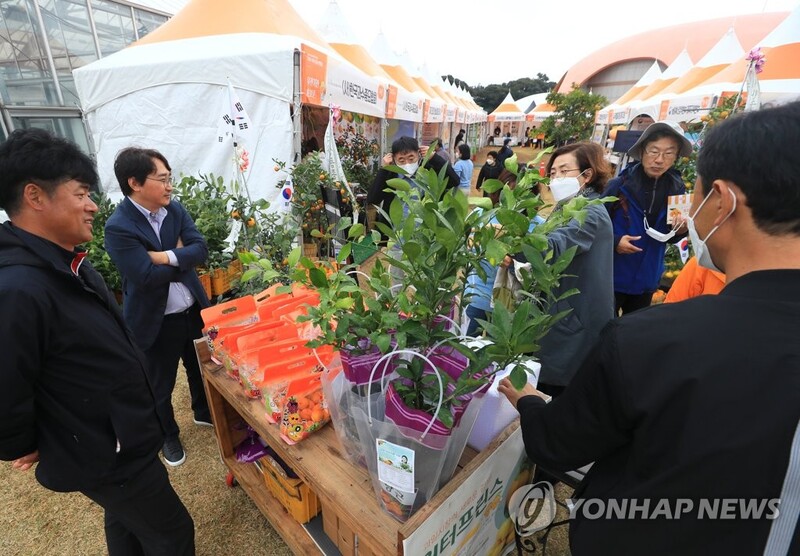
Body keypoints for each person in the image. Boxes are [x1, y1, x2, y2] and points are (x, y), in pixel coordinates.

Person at [499, 102, 800, 554]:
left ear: (722, 200)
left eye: (695, 194)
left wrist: (530, 404)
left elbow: (561, 443)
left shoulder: (651, 342)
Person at [0, 129, 195, 555]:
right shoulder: (19, 288)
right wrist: (37, 440)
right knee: (172, 533)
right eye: (82, 193)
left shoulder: (66, 261)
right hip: (104, 450)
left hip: (122, 435)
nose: (92, 205)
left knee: (127, 521)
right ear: (35, 196)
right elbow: (8, 387)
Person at [105, 147, 212, 468]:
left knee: (200, 368)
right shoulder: (118, 227)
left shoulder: (174, 211)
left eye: (170, 179)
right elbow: (145, 277)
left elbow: (201, 249)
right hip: (155, 320)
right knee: (159, 385)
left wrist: (162, 256)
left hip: (193, 311)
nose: (169, 186)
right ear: (135, 182)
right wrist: (181, 257)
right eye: (162, 179)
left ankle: (203, 411)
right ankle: (168, 435)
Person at [534, 142, 615, 396]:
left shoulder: (589, 212)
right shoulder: (565, 208)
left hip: (575, 321)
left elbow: (554, 246)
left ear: (587, 175)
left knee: (560, 396)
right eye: (553, 172)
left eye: (564, 171)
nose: (556, 178)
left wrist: (514, 243)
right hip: (561, 315)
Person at [605, 120, 692, 314]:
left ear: (676, 157)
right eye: (654, 151)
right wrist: (615, 241)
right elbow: (593, 225)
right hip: (612, 276)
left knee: (633, 334)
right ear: (642, 152)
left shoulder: (678, 191)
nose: (659, 159)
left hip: (647, 278)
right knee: (603, 330)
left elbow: (674, 235)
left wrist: (681, 230)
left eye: (668, 153)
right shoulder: (619, 186)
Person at [367, 136, 459, 237]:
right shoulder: (390, 175)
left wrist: (434, 157)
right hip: (395, 237)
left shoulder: (428, 171)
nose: (407, 164)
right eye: (401, 160)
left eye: (411, 158)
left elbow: (454, 181)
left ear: (419, 155)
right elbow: (373, 199)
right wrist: (384, 169)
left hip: (426, 234)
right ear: (393, 159)